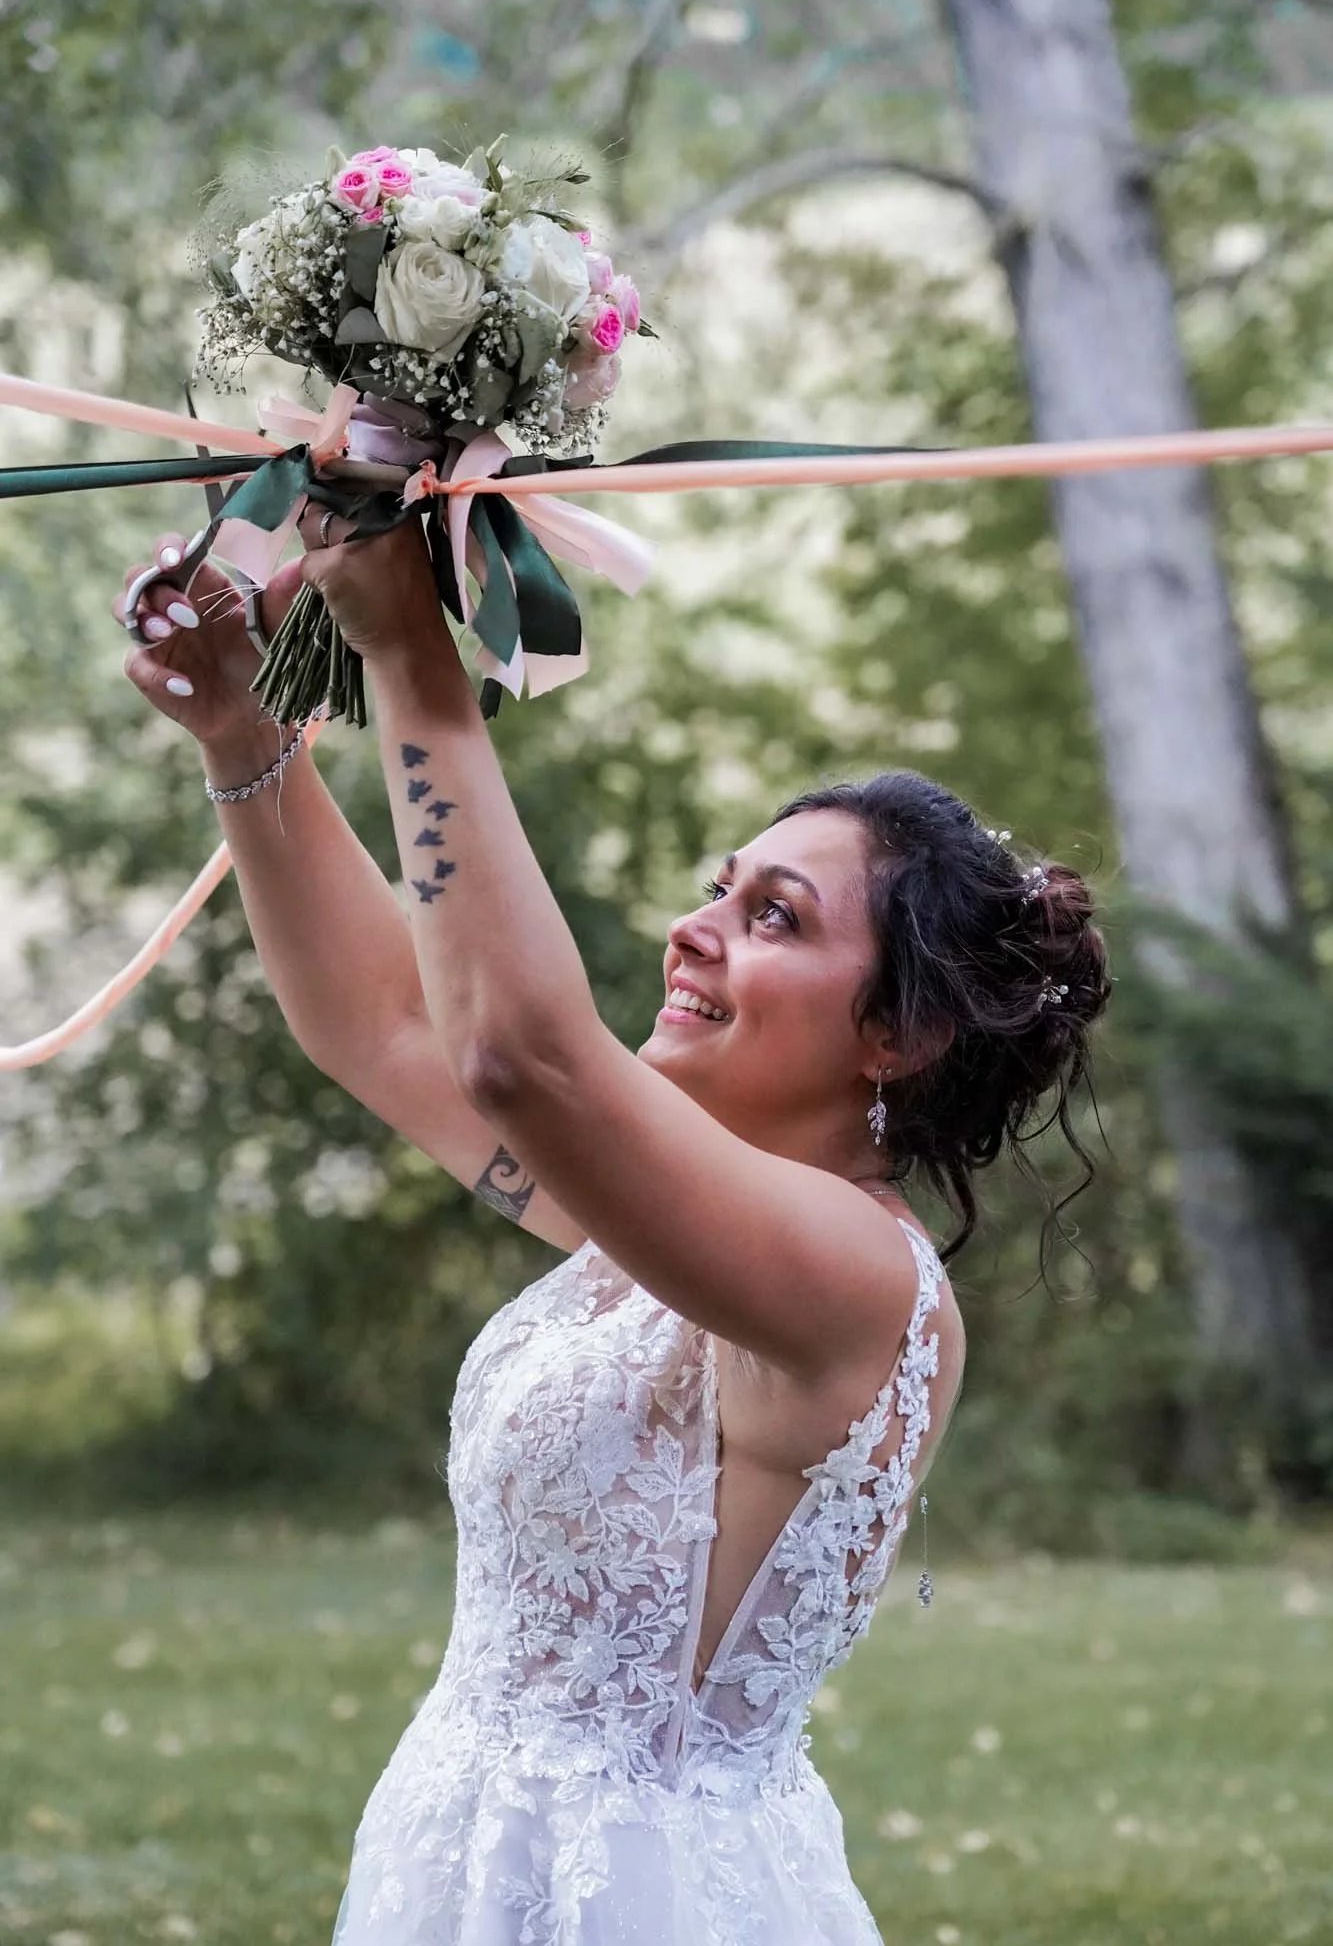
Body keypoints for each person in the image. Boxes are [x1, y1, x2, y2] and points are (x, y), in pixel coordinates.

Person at [114, 505, 1111, 1945]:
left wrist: (407, 647)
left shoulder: (853, 1279)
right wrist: (241, 732)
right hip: (461, 1861)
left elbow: (517, 1050)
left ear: (896, 1033)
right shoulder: (656, 1228)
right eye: (720, 889)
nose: (695, 930)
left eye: (775, 918)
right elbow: (388, 1022)